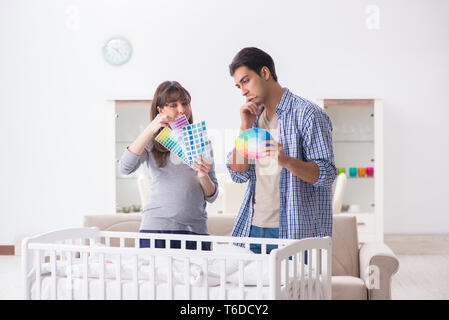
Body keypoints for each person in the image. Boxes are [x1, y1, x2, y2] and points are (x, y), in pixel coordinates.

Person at [226, 47, 336, 256]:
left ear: (265, 73)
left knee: (295, 290)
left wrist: (286, 160)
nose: (243, 91)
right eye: (238, 86)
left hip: (295, 232)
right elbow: (238, 174)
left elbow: (326, 174)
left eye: (246, 81)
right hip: (253, 227)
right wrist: (244, 128)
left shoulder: (308, 114)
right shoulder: (253, 117)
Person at [118, 81, 218, 250]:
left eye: (185, 103)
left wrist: (203, 175)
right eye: (173, 105)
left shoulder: (202, 142)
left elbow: (212, 196)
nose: (182, 110)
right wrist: (150, 130)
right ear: (160, 110)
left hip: (195, 230)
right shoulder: (151, 142)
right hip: (156, 228)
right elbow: (124, 168)